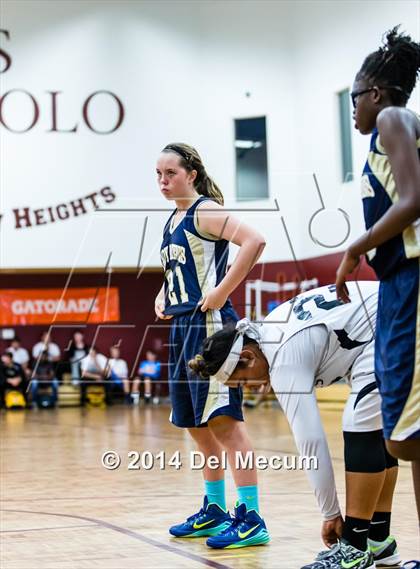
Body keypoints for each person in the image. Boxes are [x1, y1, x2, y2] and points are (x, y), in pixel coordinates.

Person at [189, 282, 401, 569]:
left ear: (248, 357)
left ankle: (353, 548)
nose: (251, 389)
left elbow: (311, 442)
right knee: (373, 427)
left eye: (243, 382)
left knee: (360, 425)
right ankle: (378, 540)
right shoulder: (268, 330)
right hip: (391, 314)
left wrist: (331, 513)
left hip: (394, 319)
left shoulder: (282, 358)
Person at [155, 142, 269, 549]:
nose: (163, 181)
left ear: (192, 175)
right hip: (182, 325)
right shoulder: (172, 220)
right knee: (196, 427)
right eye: (158, 174)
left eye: (171, 173)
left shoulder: (204, 210)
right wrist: (163, 294)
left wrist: (222, 291)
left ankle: (251, 518)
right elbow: (182, 271)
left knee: (225, 424)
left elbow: (255, 241)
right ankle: (216, 509)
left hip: (210, 326)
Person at [335, 28, 420, 569]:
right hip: (396, 284)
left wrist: (355, 246)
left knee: (409, 438)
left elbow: (414, 199)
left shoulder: (394, 119)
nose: (353, 109)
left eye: (354, 97)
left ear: (377, 93)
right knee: (406, 437)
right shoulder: (385, 133)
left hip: (413, 279)